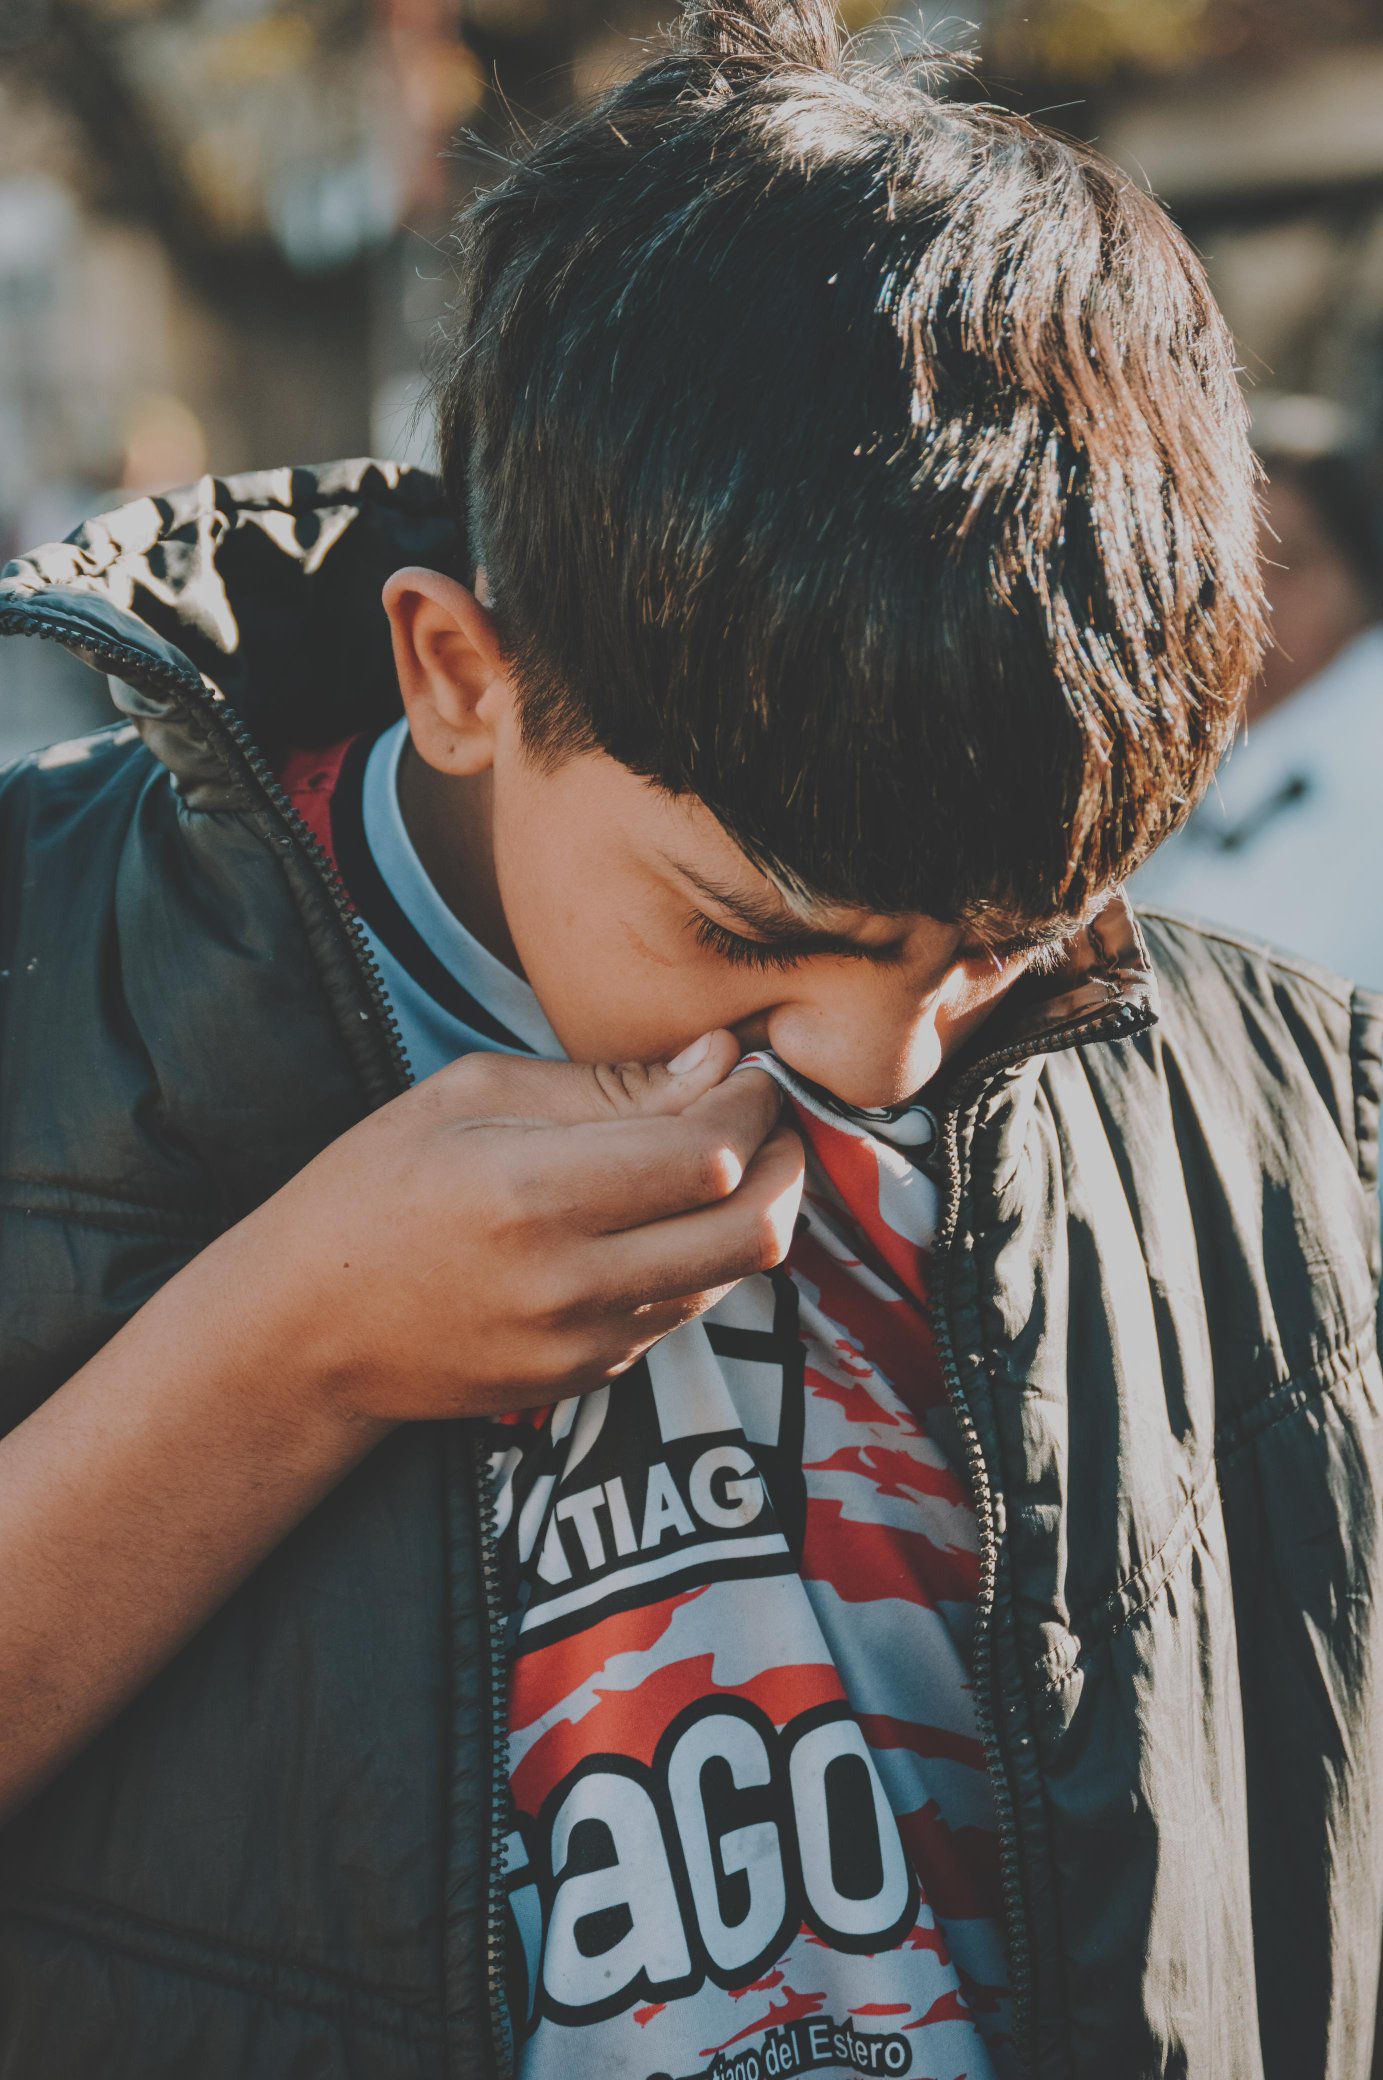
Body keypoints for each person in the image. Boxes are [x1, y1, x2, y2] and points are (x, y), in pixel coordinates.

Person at [0, 7, 1378, 2078]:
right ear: (458, 667)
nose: (884, 1061)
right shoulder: (45, 978)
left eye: (996, 944)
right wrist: (284, 1346)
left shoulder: (1277, 1102)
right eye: (756, 932)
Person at [1133, 396, 1383, 982]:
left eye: (1290, 565)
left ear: (1364, 583)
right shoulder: (1194, 740)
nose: (1254, 602)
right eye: (1229, 565)